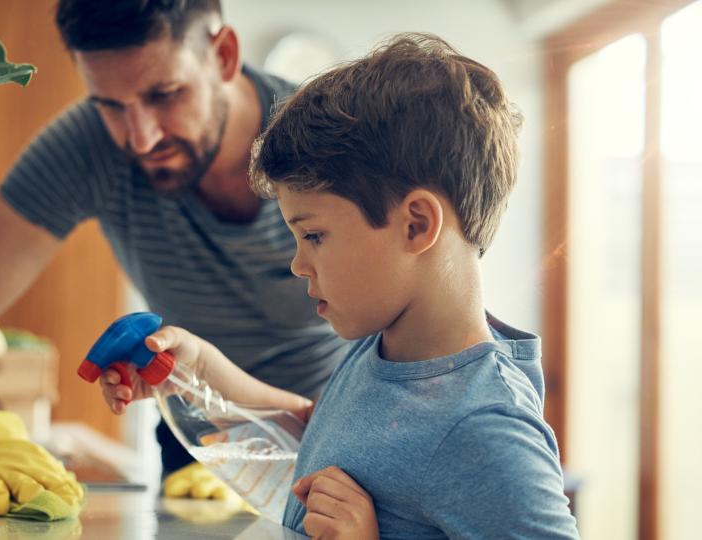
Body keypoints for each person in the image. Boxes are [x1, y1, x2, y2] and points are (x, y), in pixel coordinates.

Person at [102, 33, 580, 538]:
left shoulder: (484, 428)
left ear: (416, 224)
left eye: (314, 235)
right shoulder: (385, 348)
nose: (298, 265)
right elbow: (324, 437)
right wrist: (198, 373)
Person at [0, 0, 349, 516]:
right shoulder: (86, 146)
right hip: (199, 452)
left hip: (340, 441)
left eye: (165, 94)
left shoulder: (327, 142)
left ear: (222, 55)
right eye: (109, 104)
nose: (140, 137)